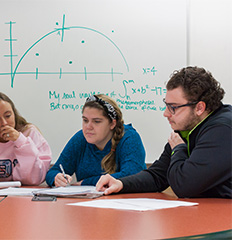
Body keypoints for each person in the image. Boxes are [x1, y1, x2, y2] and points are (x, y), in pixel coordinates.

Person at [96, 66, 232, 198]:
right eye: (166, 105)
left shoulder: (223, 130)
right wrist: (121, 184)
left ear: (199, 108)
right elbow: (158, 175)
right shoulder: (188, 128)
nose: (166, 113)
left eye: (173, 107)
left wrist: (178, 149)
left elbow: (184, 186)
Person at [45, 94, 146, 187]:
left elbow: (132, 175)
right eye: (85, 120)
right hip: (88, 203)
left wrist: (86, 182)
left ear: (112, 124)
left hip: (125, 202)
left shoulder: (129, 138)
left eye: (96, 121)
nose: (88, 127)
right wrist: (56, 178)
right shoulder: (81, 138)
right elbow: (54, 171)